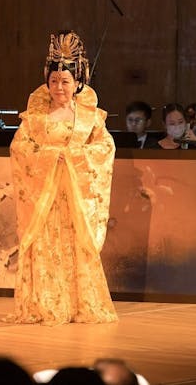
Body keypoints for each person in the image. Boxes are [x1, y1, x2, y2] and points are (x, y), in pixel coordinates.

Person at [8, 30, 118, 325]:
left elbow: (105, 147)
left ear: (78, 83)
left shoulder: (90, 118)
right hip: (44, 194)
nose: (59, 87)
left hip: (75, 196)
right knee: (44, 244)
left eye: (65, 81)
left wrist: (72, 157)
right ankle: (44, 305)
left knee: (75, 245)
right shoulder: (34, 118)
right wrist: (47, 157)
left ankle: (79, 304)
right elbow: (20, 147)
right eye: (54, 81)